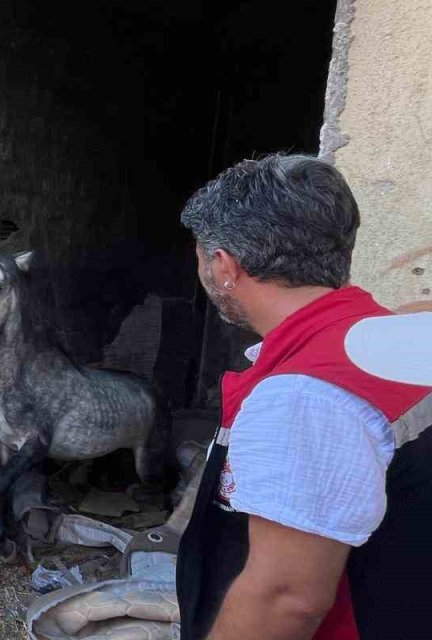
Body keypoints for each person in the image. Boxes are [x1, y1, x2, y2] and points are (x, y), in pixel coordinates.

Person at [176, 155, 432, 640]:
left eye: (202, 257)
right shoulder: (406, 338)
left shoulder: (302, 395)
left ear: (224, 266)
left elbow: (285, 599)